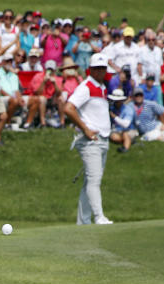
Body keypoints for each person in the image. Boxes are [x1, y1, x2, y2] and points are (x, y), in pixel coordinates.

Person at [63, 52, 112, 225]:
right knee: (94, 180)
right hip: (91, 141)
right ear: (90, 69)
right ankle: (98, 217)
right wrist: (85, 129)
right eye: (97, 68)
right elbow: (69, 108)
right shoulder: (86, 87)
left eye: (102, 68)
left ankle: (83, 222)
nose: (100, 71)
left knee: (89, 183)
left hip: (103, 140)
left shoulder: (103, 88)